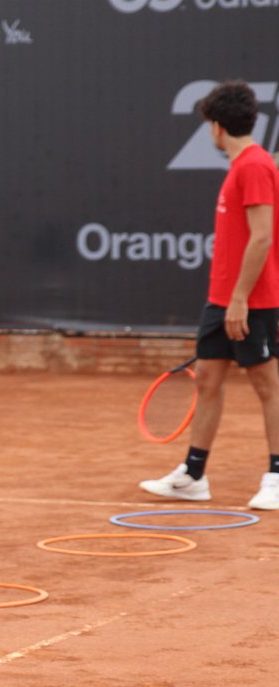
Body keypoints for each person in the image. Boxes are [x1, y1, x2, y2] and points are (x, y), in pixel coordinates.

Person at [139, 80, 279, 511]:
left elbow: (262, 238)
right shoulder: (241, 167)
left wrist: (239, 298)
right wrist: (226, 298)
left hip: (250, 300)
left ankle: (277, 475)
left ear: (217, 127)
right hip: (222, 299)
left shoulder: (254, 166)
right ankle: (194, 475)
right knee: (210, 382)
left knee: (268, 385)